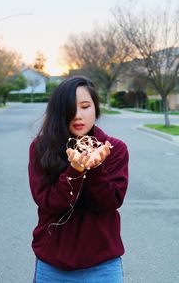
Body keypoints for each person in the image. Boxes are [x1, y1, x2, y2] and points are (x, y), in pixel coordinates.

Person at [28, 75, 129, 283]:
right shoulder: (41, 148)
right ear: (58, 111)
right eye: (70, 108)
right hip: (53, 266)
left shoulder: (114, 149)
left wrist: (96, 168)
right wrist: (75, 169)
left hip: (103, 266)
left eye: (85, 106)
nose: (77, 115)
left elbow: (109, 203)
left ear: (96, 108)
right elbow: (50, 203)